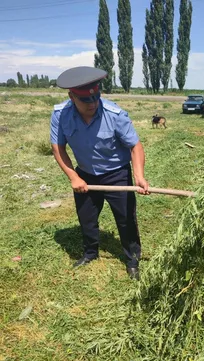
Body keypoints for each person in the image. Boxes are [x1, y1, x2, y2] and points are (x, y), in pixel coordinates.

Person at [50, 66, 149, 280]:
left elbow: (135, 147)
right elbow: (58, 148)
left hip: (117, 175)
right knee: (87, 219)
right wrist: (74, 177)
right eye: (86, 100)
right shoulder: (60, 115)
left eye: (96, 98)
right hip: (85, 174)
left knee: (126, 220)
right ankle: (90, 253)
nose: (93, 104)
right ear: (72, 97)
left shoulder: (115, 115)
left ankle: (132, 260)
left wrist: (139, 176)